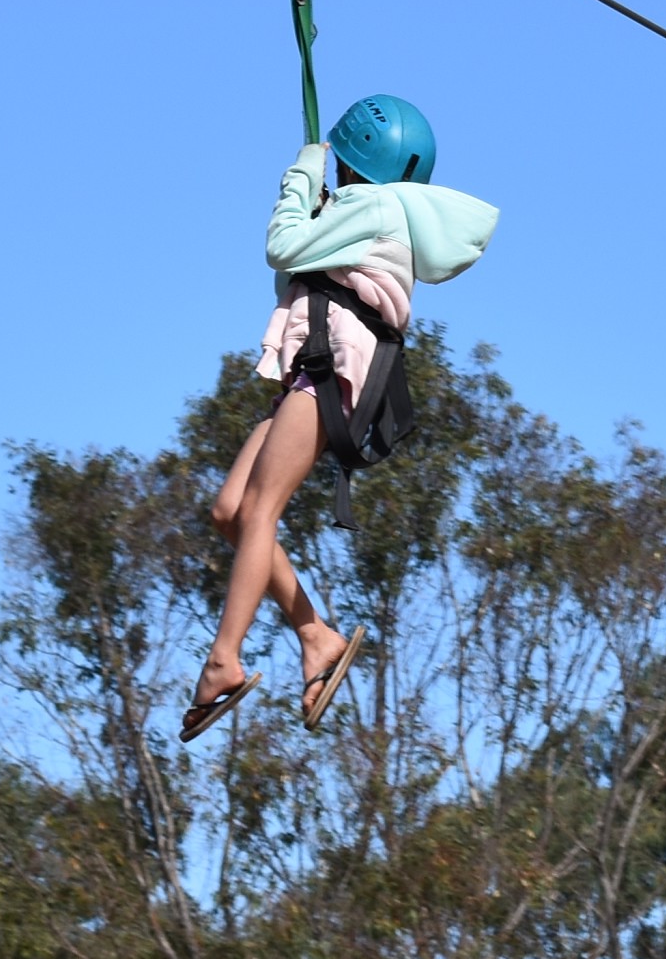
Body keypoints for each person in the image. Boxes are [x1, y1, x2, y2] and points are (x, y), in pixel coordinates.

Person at [184, 92, 500, 737]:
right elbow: (296, 271)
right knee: (232, 513)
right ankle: (316, 637)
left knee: (262, 511)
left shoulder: (374, 206)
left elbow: (280, 246)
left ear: (353, 157)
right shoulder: (367, 212)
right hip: (319, 363)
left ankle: (224, 659)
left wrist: (300, 176)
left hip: (330, 365)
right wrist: (319, 204)